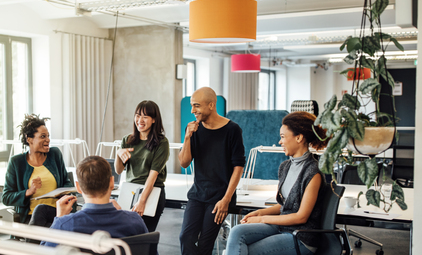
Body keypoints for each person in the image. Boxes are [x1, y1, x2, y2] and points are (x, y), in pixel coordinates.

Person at [224, 111, 328, 255]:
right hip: (282, 226)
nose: (280, 141)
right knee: (236, 232)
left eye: (283, 137)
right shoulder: (285, 167)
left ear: (299, 138)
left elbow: (301, 216)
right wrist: (259, 213)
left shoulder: (313, 172)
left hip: (301, 237)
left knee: (247, 251)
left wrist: (262, 219)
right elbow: (286, 206)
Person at [179, 87, 245, 255]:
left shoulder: (232, 130)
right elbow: (184, 162)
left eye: (196, 106)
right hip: (198, 194)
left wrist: (226, 199)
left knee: (204, 245)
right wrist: (187, 137)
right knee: (185, 238)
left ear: (211, 105)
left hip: (220, 197)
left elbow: (238, 167)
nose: (193, 110)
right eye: (191, 106)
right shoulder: (194, 129)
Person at [42, 156, 148, 247]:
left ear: (78, 187)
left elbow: (43, 251)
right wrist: (124, 215)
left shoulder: (63, 225)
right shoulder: (135, 221)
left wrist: (59, 218)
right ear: (112, 182)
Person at [2, 114, 72, 227]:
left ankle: (32, 242)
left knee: (50, 229)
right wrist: (28, 192)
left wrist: (64, 192)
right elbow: (6, 198)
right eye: (43, 136)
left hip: (57, 213)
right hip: (31, 217)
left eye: (48, 136)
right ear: (29, 139)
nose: (48, 140)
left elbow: (66, 182)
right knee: (47, 225)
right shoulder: (16, 162)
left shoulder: (55, 154)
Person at [114, 100, 170, 232]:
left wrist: (142, 201)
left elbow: (153, 175)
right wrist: (118, 153)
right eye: (138, 115)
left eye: (145, 116)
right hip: (130, 190)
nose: (140, 120)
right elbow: (118, 170)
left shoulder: (161, 142)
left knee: (145, 236)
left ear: (154, 120)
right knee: (128, 236)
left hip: (151, 192)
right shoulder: (127, 140)